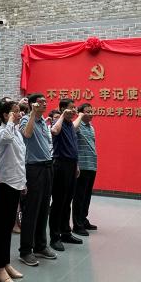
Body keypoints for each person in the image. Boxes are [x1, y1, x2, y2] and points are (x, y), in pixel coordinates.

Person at [0, 98, 26, 282]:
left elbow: (19, 159)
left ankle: (5, 263)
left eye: (19, 111)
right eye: (15, 111)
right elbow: (6, 138)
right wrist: (10, 121)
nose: (20, 114)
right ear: (5, 115)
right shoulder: (2, 131)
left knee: (8, 227)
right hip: (3, 184)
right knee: (1, 228)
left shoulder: (16, 131)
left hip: (15, 183)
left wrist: (23, 182)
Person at [18, 93, 56, 267]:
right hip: (33, 169)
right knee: (31, 210)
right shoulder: (27, 119)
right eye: (40, 102)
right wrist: (32, 113)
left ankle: (40, 246)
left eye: (45, 102)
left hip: (47, 167)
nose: (44, 104)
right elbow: (26, 134)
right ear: (32, 104)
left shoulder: (44, 123)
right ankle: (26, 251)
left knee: (44, 209)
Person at [49, 98, 82, 250]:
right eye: (71, 108)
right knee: (58, 202)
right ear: (62, 109)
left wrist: (76, 165)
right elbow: (54, 131)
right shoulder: (59, 122)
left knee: (67, 201)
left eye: (75, 108)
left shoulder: (70, 125)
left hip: (71, 165)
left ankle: (66, 233)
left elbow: (73, 147)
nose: (74, 110)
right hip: (60, 165)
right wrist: (62, 115)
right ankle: (55, 237)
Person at [73, 103, 98, 234]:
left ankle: (83, 219)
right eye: (87, 111)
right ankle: (77, 225)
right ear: (81, 113)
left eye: (91, 111)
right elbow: (73, 131)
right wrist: (76, 164)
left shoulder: (91, 127)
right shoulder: (77, 126)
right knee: (79, 196)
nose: (90, 114)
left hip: (91, 165)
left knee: (87, 196)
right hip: (81, 166)